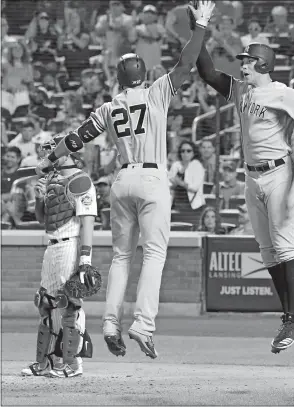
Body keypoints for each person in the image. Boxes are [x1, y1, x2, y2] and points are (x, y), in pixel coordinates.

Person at [36, 1, 216, 359]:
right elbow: (188, 61)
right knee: (154, 253)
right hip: (151, 176)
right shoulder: (157, 91)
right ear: (144, 75)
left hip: (121, 180)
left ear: (119, 80)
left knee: (121, 256)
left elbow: (75, 140)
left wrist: (48, 160)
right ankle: (143, 324)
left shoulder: (109, 106)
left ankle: (109, 323)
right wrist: (202, 24)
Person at [195, 39, 294, 353]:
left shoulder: (282, 92)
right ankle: (290, 317)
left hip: (280, 173)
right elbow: (206, 72)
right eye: (243, 59)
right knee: (267, 251)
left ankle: (293, 319)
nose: (243, 64)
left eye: (248, 60)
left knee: (283, 245)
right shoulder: (243, 90)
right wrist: (197, 32)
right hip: (252, 176)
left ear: (264, 64)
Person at [21, 136, 97, 378]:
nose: (48, 158)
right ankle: (45, 363)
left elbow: (88, 223)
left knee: (69, 303)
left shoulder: (81, 180)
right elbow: (42, 219)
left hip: (70, 244)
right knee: (45, 302)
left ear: (66, 152)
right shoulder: (50, 179)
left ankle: (72, 364)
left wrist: (85, 259)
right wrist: (39, 199)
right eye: (46, 153)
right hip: (52, 245)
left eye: (52, 153)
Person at [168, 140, 206, 226]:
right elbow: (169, 183)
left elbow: (194, 188)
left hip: (193, 206)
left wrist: (179, 182)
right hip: (176, 205)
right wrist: (174, 184)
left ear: (193, 153)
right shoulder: (176, 165)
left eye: (188, 151)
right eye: (183, 151)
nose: (185, 153)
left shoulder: (197, 165)